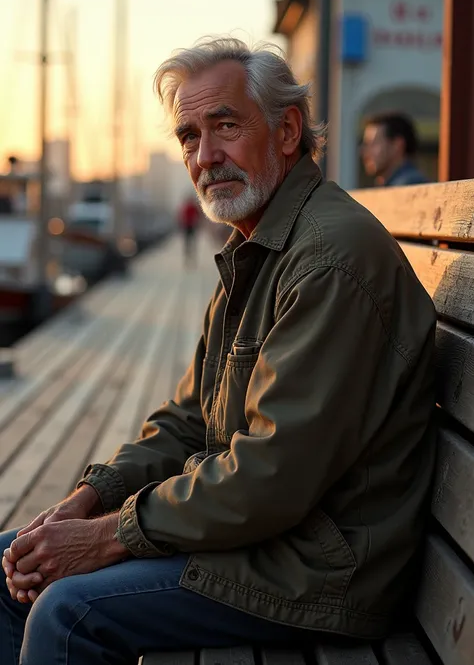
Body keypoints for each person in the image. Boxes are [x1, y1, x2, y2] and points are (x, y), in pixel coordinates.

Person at [1, 38, 437, 664]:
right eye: (188, 137)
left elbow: (270, 475)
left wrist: (108, 537)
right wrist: (89, 499)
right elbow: (187, 419)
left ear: (288, 131)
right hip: (269, 535)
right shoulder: (259, 243)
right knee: (8, 565)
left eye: (226, 127)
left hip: (320, 568)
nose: (206, 157)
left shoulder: (327, 263)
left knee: (68, 615)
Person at [361, 112, 429, 186]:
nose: (364, 151)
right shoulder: (392, 184)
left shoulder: (410, 184)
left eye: (373, 143)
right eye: (366, 144)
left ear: (397, 145)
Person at [178, 194, 201, 264]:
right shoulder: (192, 207)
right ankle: (191, 257)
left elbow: (181, 217)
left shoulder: (187, 207)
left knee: (187, 243)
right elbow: (199, 215)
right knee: (192, 242)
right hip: (191, 226)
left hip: (188, 226)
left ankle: (188, 257)